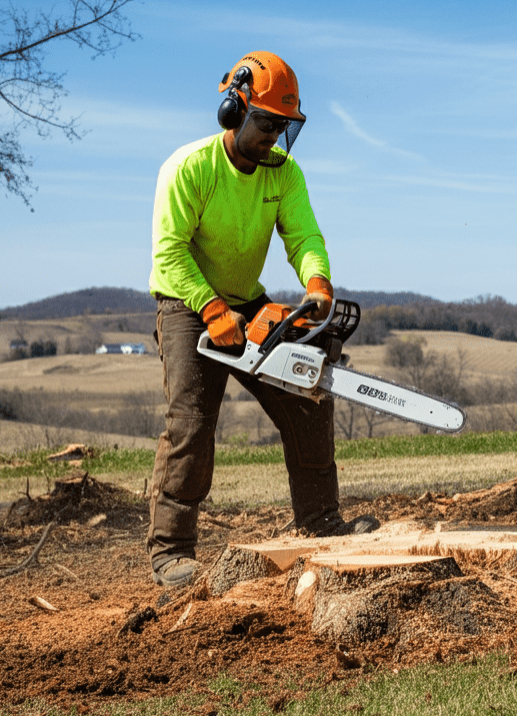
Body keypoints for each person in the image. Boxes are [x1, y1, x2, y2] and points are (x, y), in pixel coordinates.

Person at [146, 50, 377, 589]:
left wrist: (316, 282)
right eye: (267, 122)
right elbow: (169, 255)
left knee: (307, 393)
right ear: (234, 110)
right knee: (193, 421)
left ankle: (320, 520)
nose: (274, 135)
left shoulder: (285, 174)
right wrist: (209, 308)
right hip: (186, 302)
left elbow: (304, 237)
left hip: (245, 300)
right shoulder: (189, 168)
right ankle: (170, 551)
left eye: (283, 126)